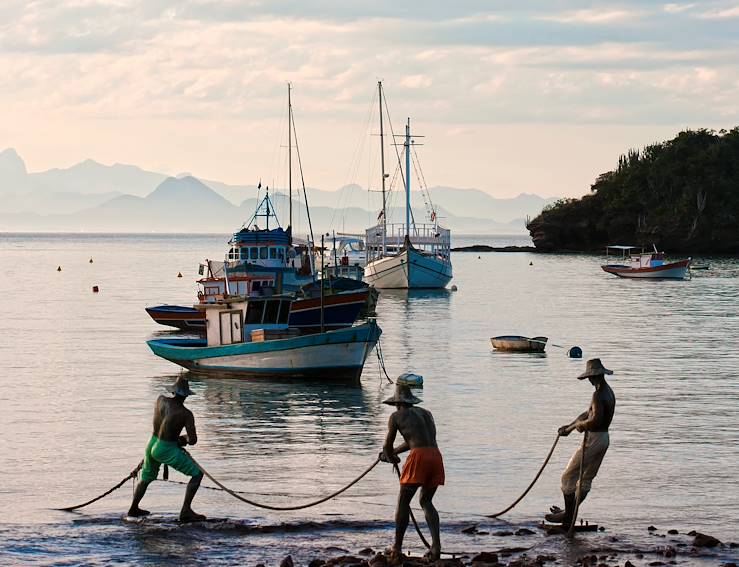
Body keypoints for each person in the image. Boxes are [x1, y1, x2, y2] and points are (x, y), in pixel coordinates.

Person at [546, 358, 616, 526]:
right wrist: (569, 427)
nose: (589, 381)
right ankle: (569, 514)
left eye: (590, 378)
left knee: (568, 477)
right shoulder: (608, 391)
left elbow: (593, 421)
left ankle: (567, 519)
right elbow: (587, 413)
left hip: (594, 439)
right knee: (585, 479)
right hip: (603, 439)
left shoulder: (598, 395)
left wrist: (579, 426)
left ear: (595, 376)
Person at [380, 384, 445, 562]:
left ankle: (397, 547)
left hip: (419, 458)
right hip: (435, 456)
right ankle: (436, 547)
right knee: (426, 500)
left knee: (403, 502)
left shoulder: (395, 417)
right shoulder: (426, 413)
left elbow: (388, 446)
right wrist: (393, 454)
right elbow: (414, 441)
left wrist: (387, 454)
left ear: (397, 404)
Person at [128, 376, 205, 522]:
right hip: (165, 448)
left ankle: (133, 509)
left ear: (174, 391)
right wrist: (183, 439)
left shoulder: (160, 400)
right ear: (186, 396)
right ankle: (186, 510)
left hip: (152, 442)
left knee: (145, 478)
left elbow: (164, 425)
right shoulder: (186, 414)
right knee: (197, 475)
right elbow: (193, 440)